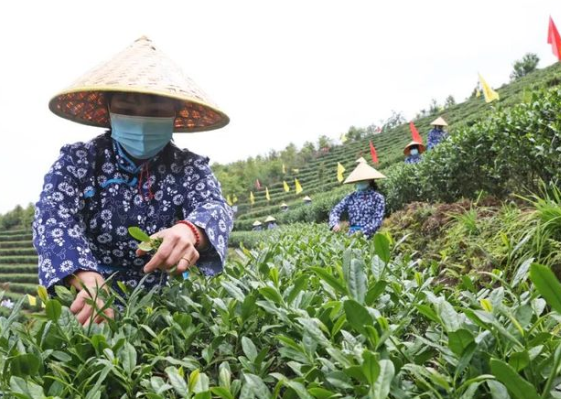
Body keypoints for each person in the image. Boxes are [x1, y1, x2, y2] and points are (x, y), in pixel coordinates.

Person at [32, 37, 233, 326]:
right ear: (109, 110)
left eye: (155, 111)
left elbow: (215, 207)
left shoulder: (188, 167)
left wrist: (191, 231)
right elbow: (53, 218)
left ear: (174, 115)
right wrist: (84, 275)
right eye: (127, 107)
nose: (141, 121)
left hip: (168, 305)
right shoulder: (79, 162)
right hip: (94, 302)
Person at [329, 161, 386, 238]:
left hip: (370, 237)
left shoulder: (378, 198)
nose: (359, 182)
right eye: (358, 180)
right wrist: (334, 223)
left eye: (362, 179)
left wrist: (362, 233)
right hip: (352, 237)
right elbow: (335, 211)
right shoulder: (350, 197)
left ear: (369, 180)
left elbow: (377, 221)